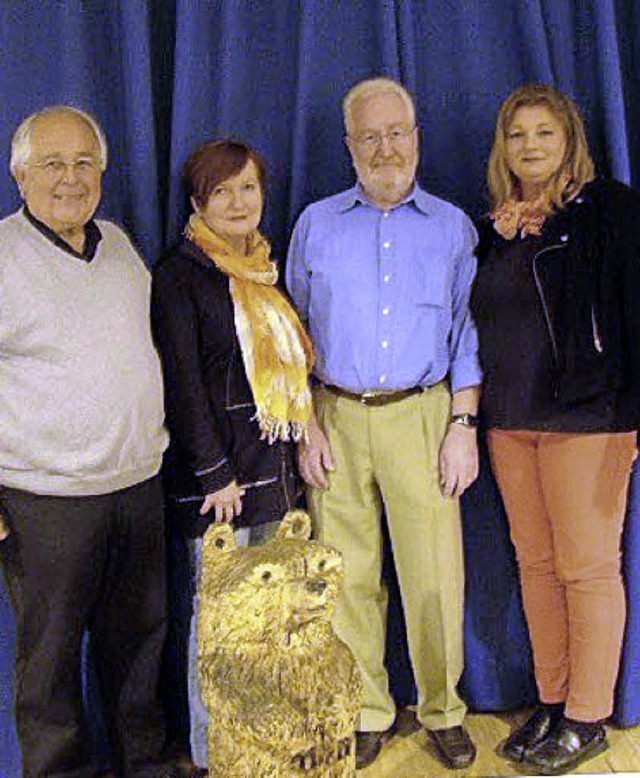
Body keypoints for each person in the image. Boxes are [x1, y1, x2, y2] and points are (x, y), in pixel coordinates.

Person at [286, 77, 481, 771]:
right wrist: (304, 420)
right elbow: (295, 335)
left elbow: (466, 332)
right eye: (368, 136)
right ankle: (368, 709)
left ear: (417, 137)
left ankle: (443, 709)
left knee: (433, 578)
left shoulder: (454, 227)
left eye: (396, 132)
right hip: (334, 415)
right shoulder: (314, 223)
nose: (384, 147)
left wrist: (464, 423)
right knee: (347, 576)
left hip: (423, 415)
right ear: (348, 146)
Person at [471, 83, 640, 775]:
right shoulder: (492, 228)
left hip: (589, 418)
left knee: (588, 567)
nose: (530, 146)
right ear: (502, 149)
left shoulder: (611, 211)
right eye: (518, 135)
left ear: (570, 139)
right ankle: (552, 697)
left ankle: (588, 715)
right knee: (535, 566)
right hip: (510, 419)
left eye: (544, 132)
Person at [0, 106, 171, 778]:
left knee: (138, 650)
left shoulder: (122, 248)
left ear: (101, 172)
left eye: (83, 163)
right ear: (20, 175)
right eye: (52, 163)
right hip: (45, 500)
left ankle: (146, 765)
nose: (69, 178)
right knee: (49, 664)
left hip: (135, 487)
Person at [151, 139, 313, 774]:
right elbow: (183, 386)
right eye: (223, 191)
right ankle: (217, 753)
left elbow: (290, 374)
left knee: (271, 620)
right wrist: (215, 475)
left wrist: (304, 438)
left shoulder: (264, 273)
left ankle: (262, 744)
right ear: (198, 202)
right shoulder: (179, 276)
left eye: (249, 188)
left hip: (273, 473)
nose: (239, 202)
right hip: (222, 489)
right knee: (220, 628)